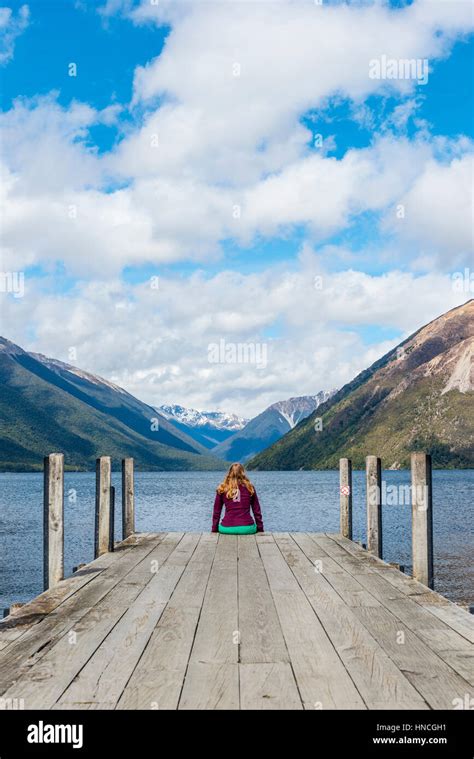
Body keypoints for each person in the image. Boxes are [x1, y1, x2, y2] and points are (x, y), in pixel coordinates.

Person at [212, 462, 264, 534]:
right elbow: (257, 510)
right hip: (247, 528)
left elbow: (216, 512)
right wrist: (260, 529)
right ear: (243, 473)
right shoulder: (250, 488)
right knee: (253, 526)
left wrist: (214, 529)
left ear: (229, 473)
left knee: (221, 526)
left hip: (227, 528)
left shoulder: (222, 488)